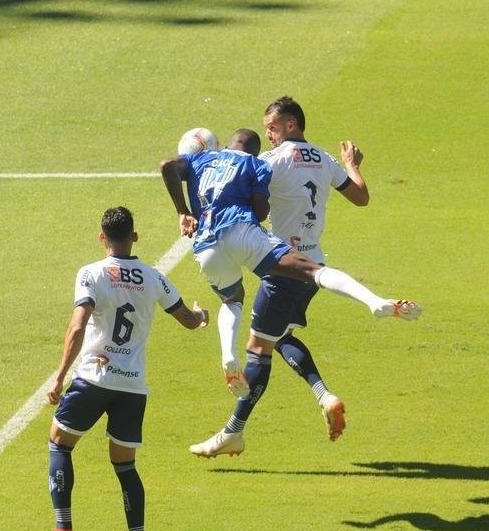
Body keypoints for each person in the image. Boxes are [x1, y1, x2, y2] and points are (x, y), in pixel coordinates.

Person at [190, 97, 405, 458]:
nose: (268, 135)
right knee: (281, 335)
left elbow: (233, 187)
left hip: (283, 268)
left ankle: (233, 432)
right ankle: (324, 395)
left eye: (272, 128)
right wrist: (352, 164)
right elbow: (361, 197)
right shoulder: (325, 159)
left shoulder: (270, 162)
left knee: (258, 352)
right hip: (314, 262)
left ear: (291, 124)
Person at [160, 128, 419, 410]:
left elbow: (167, 167)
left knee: (232, 300)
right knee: (313, 271)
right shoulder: (255, 164)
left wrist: (183, 211)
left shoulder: (202, 160)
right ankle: (374, 301)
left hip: (206, 247)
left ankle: (227, 355)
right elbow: (260, 213)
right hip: (244, 234)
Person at [29, 206, 208, 531]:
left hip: (94, 378)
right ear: (135, 237)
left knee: (59, 443)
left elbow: (78, 327)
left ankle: (63, 530)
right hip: (132, 386)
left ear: (101, 237)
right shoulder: (155, 277)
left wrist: (60, 377)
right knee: (125, 466)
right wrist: (202, 315)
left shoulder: (91, 273)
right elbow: (189, 321)